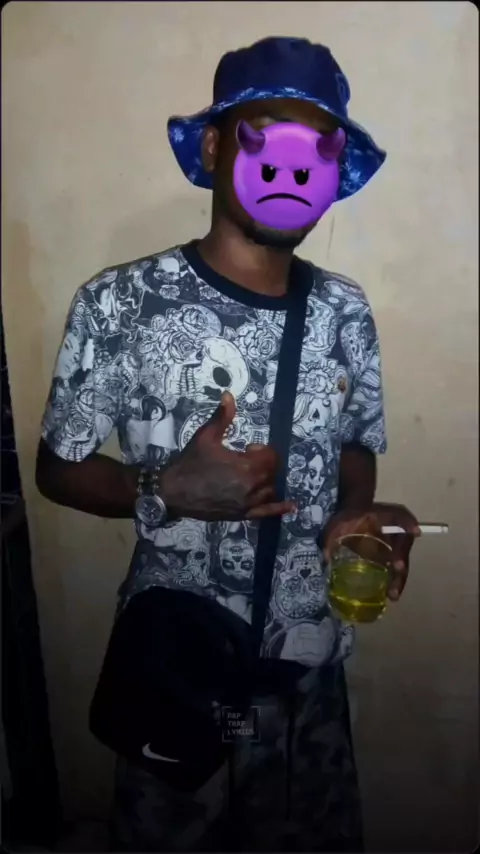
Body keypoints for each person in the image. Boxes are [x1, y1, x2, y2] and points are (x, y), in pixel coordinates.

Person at [36, 37, 420, 853]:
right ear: (215, 147)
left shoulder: (345, 311)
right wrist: (161, 490)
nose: (292, 172)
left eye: (316, 151)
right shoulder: (118, 304)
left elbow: (355, 445)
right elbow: (55, 471)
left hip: (308, 674)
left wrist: (356, 514)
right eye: (267, 139)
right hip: (174, 669)